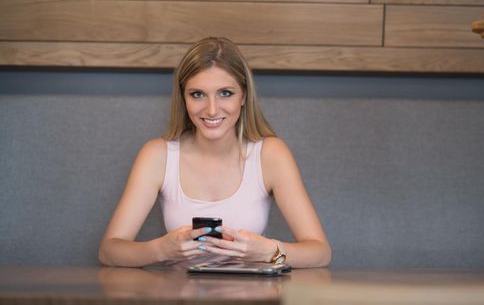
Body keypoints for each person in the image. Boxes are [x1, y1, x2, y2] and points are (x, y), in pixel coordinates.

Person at [98, 37, 331, 268]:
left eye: (225, 93)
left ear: (244, 96)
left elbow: (320, 253)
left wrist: (269, 252)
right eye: (197, 94)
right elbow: (109, 252)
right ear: (184, 99)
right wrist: (162, 249)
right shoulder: (157, 155)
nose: (211, 110)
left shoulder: (270, 154)